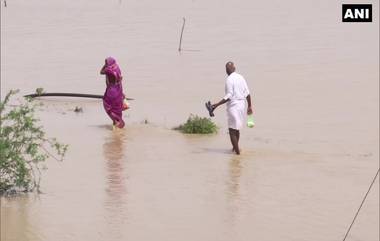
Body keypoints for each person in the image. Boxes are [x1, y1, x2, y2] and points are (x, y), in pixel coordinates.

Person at [211, 62, 253, 155]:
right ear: (234, 68)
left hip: (234, 105)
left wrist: (216, 105)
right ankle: (235, 148)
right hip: (242, 105)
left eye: (228, 68)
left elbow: (229, 95)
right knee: (236, 128)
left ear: (227, 70)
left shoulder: (229, 79)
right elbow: (247, 93)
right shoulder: (241, 77)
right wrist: (249, 106)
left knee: (231, 130)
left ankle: (237, 154)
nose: (228, 69)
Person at [100, 57, 125, 129]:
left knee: (108, 105)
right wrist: (122, 93)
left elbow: (101, 72)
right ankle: (117, 123)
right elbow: (120, 79)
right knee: (116, 108)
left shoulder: (108, 70)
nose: (106, 64)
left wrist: (105, 65)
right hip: (118, 90)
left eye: (106, 62)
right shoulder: (117, 69)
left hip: (112, 90)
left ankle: (116, 125)